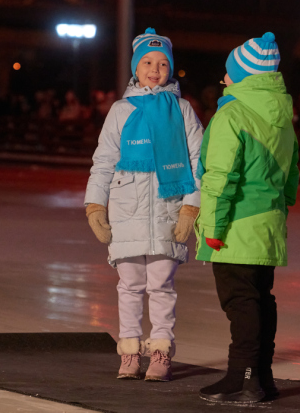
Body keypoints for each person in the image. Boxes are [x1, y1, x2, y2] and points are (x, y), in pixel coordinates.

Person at [83, 28, 204, 382]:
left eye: (163, 63)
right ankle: (130, 352)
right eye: (148, 62)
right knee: (130, 286)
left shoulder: (181, 110)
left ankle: (161, 351)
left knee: (162, 286)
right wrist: (95, 204)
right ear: (136, 68)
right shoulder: (121, 111)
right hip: (127, 212)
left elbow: (199, 162)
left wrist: (190, 208)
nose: (155, 69)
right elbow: (104, 160)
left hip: (168, 209)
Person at [195, 32, 299, 404]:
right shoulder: (281, 116)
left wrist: (212, 227)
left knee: (241, 303)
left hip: (236, 225)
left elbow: (220, 178)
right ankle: (258, 375)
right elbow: (291, 172)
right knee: (259, 299)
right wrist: (281, 207)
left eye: (229, 72)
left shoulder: (232, 114)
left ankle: (245, 378)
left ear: (242, 76)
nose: (224, 79)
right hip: (268, 224)